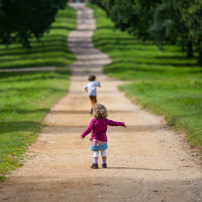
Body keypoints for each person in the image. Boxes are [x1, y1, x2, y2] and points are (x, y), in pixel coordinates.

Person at [80, 103, 127, 169]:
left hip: (95, 139)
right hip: (103, 139)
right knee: (103, 151)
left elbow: (89, 129)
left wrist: (83, 134)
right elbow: (114, 123)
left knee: (96, 151)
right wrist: (122, 124)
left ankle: (95, 164)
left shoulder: (93, 121)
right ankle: (104, 163)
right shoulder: (105, 120)